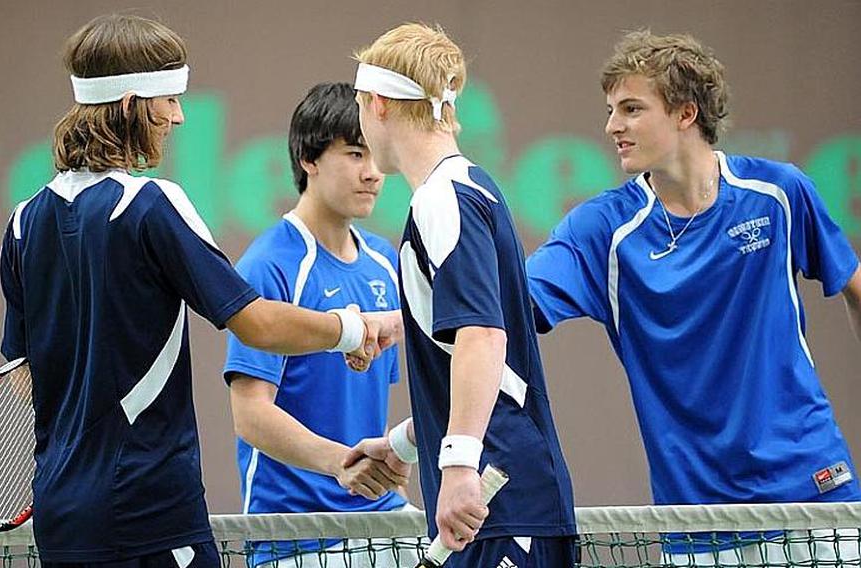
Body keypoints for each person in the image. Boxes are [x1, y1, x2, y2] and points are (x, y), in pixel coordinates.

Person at [0, 15, 397, 566]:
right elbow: (254, 323)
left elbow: (24, 380)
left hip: (62, 513)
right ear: (133, 102)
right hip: (150, 512)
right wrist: (354, 328)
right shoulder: (148, 205)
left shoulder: (22, 221)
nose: (179, 117)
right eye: (170, 100)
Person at [525, 30, 861, 564]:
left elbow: (855, 287)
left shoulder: (778, 193)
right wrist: (382, 324)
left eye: (631, 109)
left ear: (686, 113)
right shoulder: (602, 230)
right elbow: (501, 311)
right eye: (611, 110)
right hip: (700, 521)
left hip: (813, 492)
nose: (613, 126)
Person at [346, 22, 577, 568]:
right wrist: (410, 444)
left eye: (358, 106)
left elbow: (482, 337)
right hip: (502, 499)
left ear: (377, 103)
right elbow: (481, 363)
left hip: (496, 504)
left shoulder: (442, 199)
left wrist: (457, 466)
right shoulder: (470, 189)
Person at [223, 82, 419, 568]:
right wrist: (340, 464)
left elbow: (367, 406)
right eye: (355, 154)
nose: (373, 173)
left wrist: (395, 455)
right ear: (309, 159)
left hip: (383, 521)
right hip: (294, 534)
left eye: (375, 155)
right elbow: (250, 416)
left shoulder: (385, 261)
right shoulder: (269, 265)